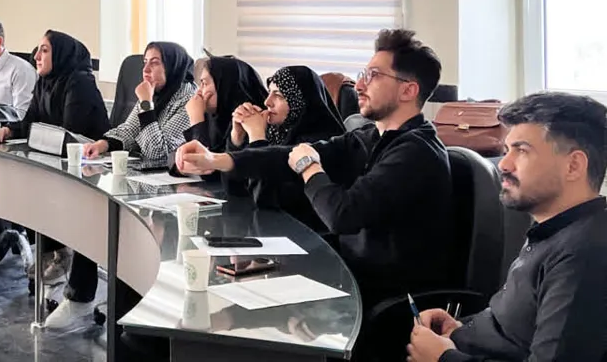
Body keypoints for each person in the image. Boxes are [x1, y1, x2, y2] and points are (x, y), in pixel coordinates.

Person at [175, 29, 456, 310]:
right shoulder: (371, 136)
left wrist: (309, 167)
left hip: (389, 301)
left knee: (250, 311)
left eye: (373, 76)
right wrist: (216, 159)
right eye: (363, 74)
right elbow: (286, 156)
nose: (359, 85)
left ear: (408, 90)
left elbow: (343, 214)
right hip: (349, 280)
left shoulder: (415, 152)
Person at [408, 92, 607, 362]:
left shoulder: (585, 255)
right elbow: (516, 329)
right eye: (506, 150)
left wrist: (443, 358)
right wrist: (460, 329)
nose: (503, 164)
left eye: (522, 150)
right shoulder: (550, 228)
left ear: (573, 166)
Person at [0, 31, 110, 329]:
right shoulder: (46, 80)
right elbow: (32, 121)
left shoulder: (79, 82)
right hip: (57, 165)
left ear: (62, 54)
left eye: (44, 50)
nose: (36, 56)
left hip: (91, 171)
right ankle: (55, 256)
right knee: (24, 186)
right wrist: (9, 130)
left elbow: (67, 133)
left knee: (72, 209)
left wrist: (36, 132)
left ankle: (78, 291)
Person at [224, 66, 346, 232]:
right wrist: (236, 139)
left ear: (299, 102)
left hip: (308, 238)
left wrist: (257, 138)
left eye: (279, 95)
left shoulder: (318, 144)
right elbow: (233, 190)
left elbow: (267, 201)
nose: (267, 102)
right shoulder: (278, 133)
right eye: (269, 92)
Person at [82, 42, 196, 161]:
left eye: (154, 63)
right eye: (145, 62)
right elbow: (130, 130)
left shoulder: (189, 100)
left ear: (173, 67)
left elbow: (156, 152)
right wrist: (101, 145)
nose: (145, 70)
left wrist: (146, 103)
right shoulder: (156, 92)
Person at [182, 54, 268, 152]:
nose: (199, 91)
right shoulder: (213, 120)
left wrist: (196, 121)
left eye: (204, 84)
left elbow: (202, 160)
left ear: (225, 87)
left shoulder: (252, 118)